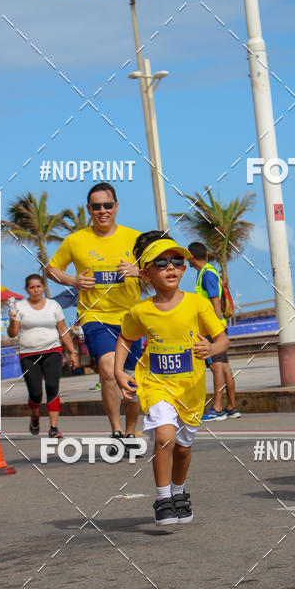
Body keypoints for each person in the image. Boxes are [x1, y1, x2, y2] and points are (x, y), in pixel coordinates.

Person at [115, 231, 229, 526]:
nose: (170, 268)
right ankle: (163, 498)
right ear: (145, 274)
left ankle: (178, 492)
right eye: (161, 263)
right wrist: (118, 371)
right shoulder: (140, 311)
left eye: (177, 262)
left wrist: (212, 348)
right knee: (164, 437)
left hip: (190, 388)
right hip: (155, 385)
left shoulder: (197, 305)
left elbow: (222, 339)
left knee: (183, 447)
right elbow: (126, 338)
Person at [46, 183, 142, 443]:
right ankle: (116, 430)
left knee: (131, 377)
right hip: (96, 317)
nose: (102, 211)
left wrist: (137, 272)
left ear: (116, 207)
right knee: (108, 370)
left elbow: (159, 270)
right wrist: (74, 281)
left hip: (131, 318)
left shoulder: (135, 238)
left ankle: (131, 431)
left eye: (107, 205)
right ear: (89, 209)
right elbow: (51, 269)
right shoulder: (75, 240)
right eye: (96, 206)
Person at [7, 274, 78, 437]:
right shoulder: (20, 307)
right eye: (32, 287)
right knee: (36, 393)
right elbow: (12, 334)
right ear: (27, 289)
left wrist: (72, 352)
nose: (36, 290)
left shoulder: (53, 305)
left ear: (43, 288)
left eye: (38, 287)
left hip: (53, 351)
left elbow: (63, 329)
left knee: (52, 387)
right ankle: (35, 415)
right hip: (28, 354)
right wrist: (12, 321)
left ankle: (53, 427)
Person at [187, 241, 240, 421]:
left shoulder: (207, 274)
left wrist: (216, 327)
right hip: (216, 326)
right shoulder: (207, 271)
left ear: (192, 256)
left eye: (188, 257)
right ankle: (231, 407)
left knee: (217, 366)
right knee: (224, 366)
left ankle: (217, 408)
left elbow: (215, 300)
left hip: (214, 327)